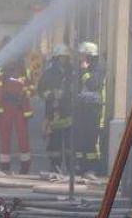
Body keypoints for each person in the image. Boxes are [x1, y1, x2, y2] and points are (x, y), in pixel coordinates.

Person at [0, 58, 34, 175]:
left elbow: (32, 88)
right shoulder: (1, 71)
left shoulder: (25, 71)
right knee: (5, 136)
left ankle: (25, 164)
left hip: (20, 107)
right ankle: (5, 165)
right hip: (5, 106)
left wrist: (25, 94)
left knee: (22, 136)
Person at [37, 44, 74, 175]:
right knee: (55, 142)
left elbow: (76, 88)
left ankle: (70, 167)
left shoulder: (72, 72)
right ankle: (55, 165)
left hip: (68, 111)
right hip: (54, 111)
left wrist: (67, 94)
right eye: (60, 57)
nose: (63, 60)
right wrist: (52, 94)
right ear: (56, 58)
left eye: (65, 57)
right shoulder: (49, 73)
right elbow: (41, 90)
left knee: (69, 143)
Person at [74, 40, 103, 176]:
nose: (80, 57)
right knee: (80, 138)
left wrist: (85, 71)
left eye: (83, 55)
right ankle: (81, 166)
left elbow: (93, 85)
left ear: (89, 56)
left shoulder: (97, 69)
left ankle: (92, 167)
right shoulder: (81, 68)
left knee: (91, 139)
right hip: (82, 108)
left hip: (93, 109)